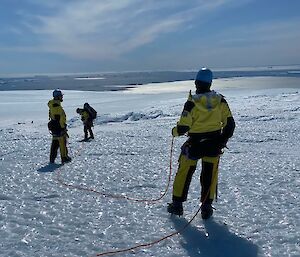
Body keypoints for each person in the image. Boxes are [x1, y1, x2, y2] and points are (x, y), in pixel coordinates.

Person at [167, 68, 235, 219]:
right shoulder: (220, 100)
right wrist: (221, 141)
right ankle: (206, 208)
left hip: (195, 144)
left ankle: (177, 205)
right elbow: (230, 124)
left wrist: (174, 132)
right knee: (210, 175)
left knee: (184, 172)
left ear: (196, 82)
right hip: (214, 144)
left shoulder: (192, 102)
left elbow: (184, 127)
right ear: (210, 83)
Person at [48, 89, 72, 164]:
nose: (62, 97)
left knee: (55, 142)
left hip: (54, 127)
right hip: (59, 128)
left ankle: (52, 158)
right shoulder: (57, 106)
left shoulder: (52, 104)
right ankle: (64, 157)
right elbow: (60, 118)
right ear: (58, 97)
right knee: (62, 143)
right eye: (61, 96)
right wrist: (63, 128)